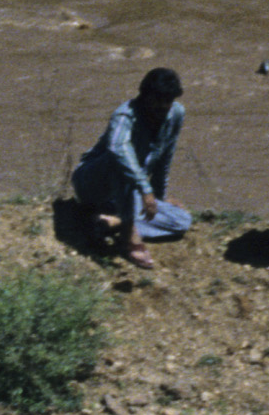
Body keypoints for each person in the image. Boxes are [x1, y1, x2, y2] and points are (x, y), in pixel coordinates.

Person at [72, 66, 190, 269]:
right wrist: (145, 189)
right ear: (145, 97)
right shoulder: (125, 115)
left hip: (126, 193)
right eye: (158, 101)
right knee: (121, 159)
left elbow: (164, 159)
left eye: (168, 101)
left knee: (181, 220)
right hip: (93, 184)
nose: (163, 107)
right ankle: (129, 234)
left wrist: (158, 197)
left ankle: (114, 221)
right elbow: (118, 148)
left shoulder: (176, 114)